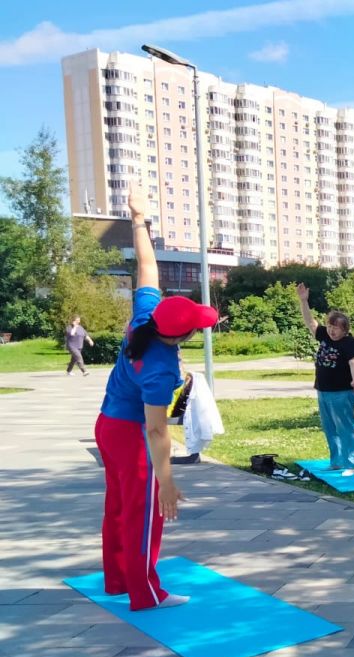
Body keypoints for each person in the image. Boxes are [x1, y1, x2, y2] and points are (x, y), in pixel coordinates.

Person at [95, 185, 217, 611]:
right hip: (130, 434)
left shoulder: (146, 316)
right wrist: (166, 481)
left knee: (118, 505)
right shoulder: (162, 368)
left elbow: (147, 267)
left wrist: (138, 219)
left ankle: (116, 580)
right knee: (145, 513)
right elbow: (156, 428)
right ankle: (145, 594)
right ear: (180, 334)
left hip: (107, 425)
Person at [297, 283, 354, 477]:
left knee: (345, 428)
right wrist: (303, 301)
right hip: (323, 391)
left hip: (342, 392)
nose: (332, 331)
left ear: (345, 330)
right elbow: (310, 322)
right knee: (330, 429)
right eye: (331, 326)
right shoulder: (324, 335)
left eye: (337, 328)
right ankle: (336, 462)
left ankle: (351, 464)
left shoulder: (351, 343)